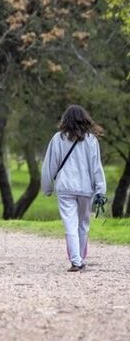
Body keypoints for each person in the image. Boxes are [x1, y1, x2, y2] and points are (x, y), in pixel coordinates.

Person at [40, 104, 107, 272]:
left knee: (70, 224)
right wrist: (101, 190)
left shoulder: (58, 139)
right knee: (83, 224)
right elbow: (96, 168)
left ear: (65, 120)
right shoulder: (91, 140)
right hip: (86, 189)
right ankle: (79, 259)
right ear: (85, 119)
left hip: (65, 189)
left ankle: (76, 261)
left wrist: (47, 188)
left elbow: (50, 165)